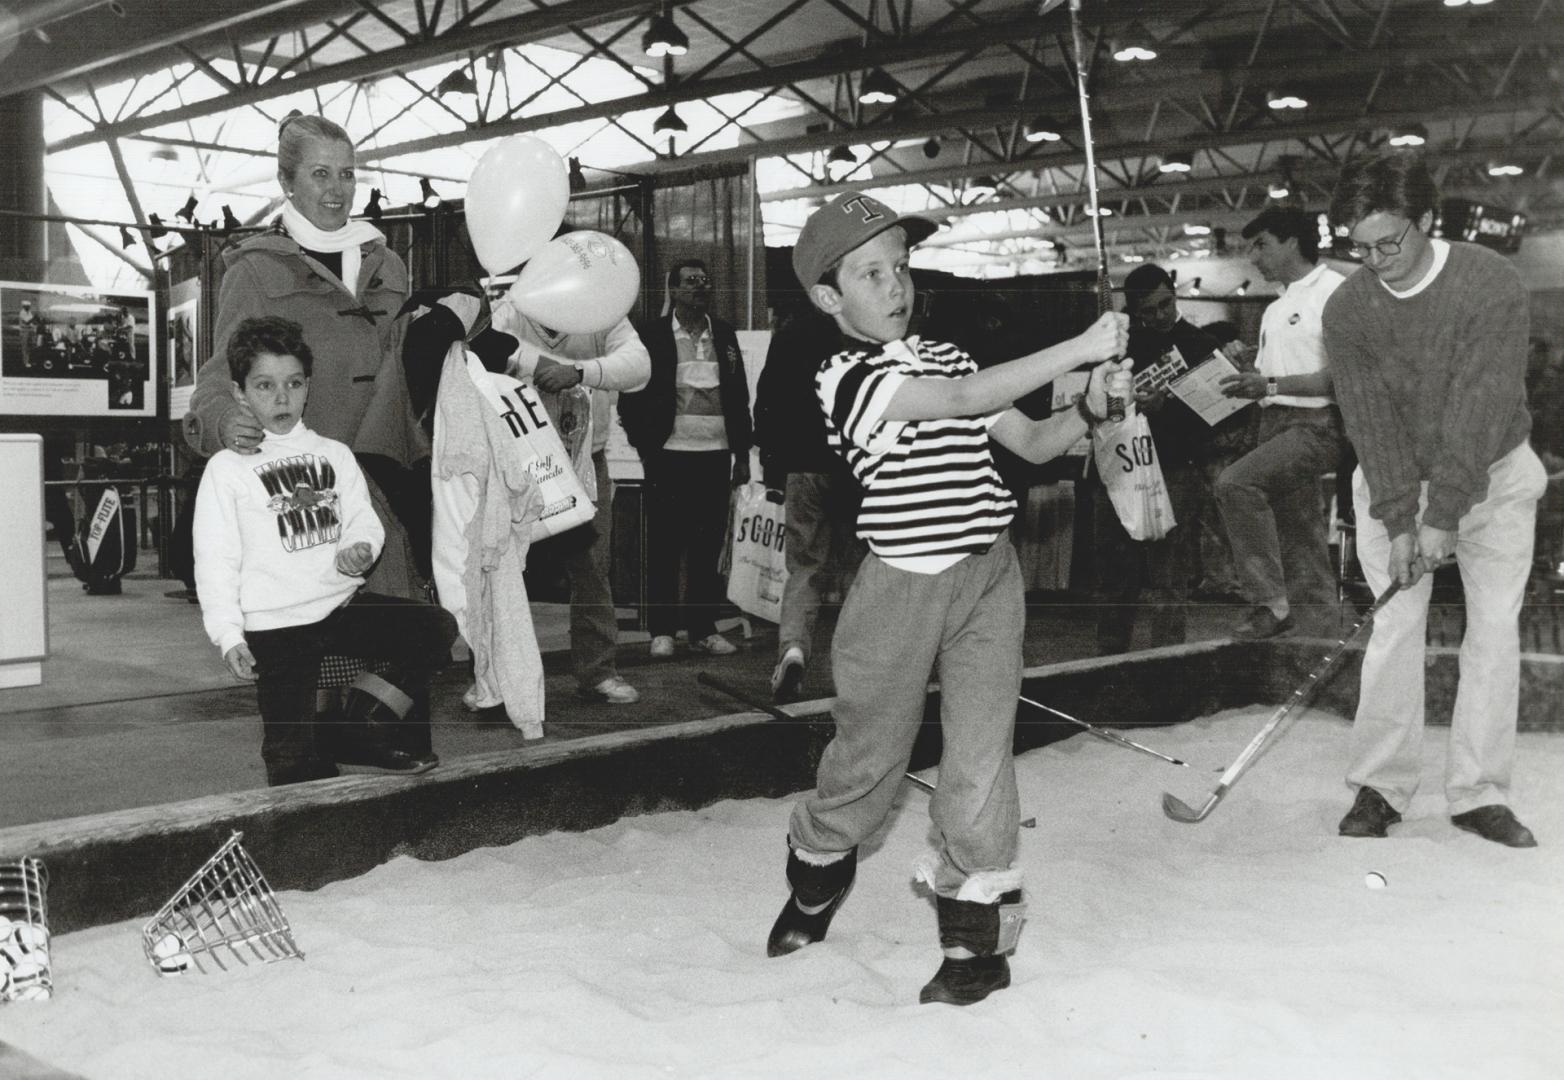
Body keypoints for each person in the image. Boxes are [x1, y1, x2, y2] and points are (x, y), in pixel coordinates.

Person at [765, 190, 1129, 1006]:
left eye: (900, 268)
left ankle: (975, 948)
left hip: (987, 578)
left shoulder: (952, 358)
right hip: (900, 587)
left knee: (979, 759)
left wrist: (1090, 406)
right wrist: (1080, 343)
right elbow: (960, 407)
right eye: (870, 274)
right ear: (830, 297)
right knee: (869, 761)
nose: (895, 287)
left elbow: (1031, 441)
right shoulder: (842, 378)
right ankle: (819, 872)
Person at [1324, 151, 1544, 848]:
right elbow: (1368, 421)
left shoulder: (1489, 281)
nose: (1374, 259)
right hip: (1396, 475)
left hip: (1495, 471)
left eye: (1389, 241)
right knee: (1394, 626)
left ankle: (1480, 793)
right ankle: (1381, 788)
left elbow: (1482, 405)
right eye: (1357, 246)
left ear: (1426, 221)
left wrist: (1444, 513)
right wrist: (1401, 519)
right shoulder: (1349, 307)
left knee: (1494, 628)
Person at [193, 317, 456, 786]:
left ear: (308, 387)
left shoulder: (334, 454)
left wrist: (359, 548)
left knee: (434, 628)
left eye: (293, 384)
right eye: (265, 386)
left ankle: (360, 721)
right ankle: (321, 757)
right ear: (239, 393)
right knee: (291, 767)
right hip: (274, 629)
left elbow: (363, 521)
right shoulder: (226, 468)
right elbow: (214, 558)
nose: (281, 398)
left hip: (338, 609)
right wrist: (227, 633)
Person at [183, 112, 427, 600]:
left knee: (413, 646)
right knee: (313, 653)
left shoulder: (389, 263)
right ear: (286, 182)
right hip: (306, 498)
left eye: (347, 173)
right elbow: (216, 380)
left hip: (391, 483)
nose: (337, 188)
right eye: (320, 173)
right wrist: (226, 421)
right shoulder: (254, 271)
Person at [492, 298, 651, 705]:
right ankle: (494, 678)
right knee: (503, 566)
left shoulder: (600, 306)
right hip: (520, 458)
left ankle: (598, 671)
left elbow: (638, 366)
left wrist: (579, 371)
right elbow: (483, 348)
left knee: (593, 568)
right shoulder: (512, 309)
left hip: (584, 459)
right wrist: (540, 367)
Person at [1214, 207, 1348, 639]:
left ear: (1292, 241)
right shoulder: (1277, 307)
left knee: (1234, 484)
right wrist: (1249, 364)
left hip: (1316, 424)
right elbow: (1275, 375)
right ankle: (1321, 645)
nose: (1253, 257)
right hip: (1273, 424)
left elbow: (1342, 378)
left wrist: (1268, 382)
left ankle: (1269, 603)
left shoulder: (1335, 292)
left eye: (1261, 245)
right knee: (1301, 542)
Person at [619, 259, 753, 660]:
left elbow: (738, 396)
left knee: (706, 546)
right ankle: (662, 631)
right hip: (668, 456)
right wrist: (645, 445)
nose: (700, 287)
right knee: (664, 544)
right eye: (690, 282)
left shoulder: (724, 335)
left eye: (705, 280)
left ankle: (701, 629)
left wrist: (742, 456)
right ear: (672, 291)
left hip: (715, 457)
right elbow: (630, 392)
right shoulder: (651, 335)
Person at [1091, 264, 1220, 654]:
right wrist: (1127, 403)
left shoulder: (1199, 344)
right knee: (1118, 580)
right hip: (1124, 470)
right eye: (1149, 310)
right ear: (1133, 311)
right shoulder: (1119, 347)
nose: (1161, 315)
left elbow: (1214, 417)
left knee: (1169, 579)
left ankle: (1167, 666)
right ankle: (1109, 668)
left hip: (1178, 470)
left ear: (1175, 294)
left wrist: (1169, 406)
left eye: (1167, 304)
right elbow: (1106, 409)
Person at [752, 306, 865, 701]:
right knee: (860, 569)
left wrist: (772, 465)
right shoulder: (863, 327)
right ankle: (861, 667)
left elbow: (766, 400)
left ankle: (794, 649)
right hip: (856, 467)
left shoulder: (791, 330)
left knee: (805, 568)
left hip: (803, 465)